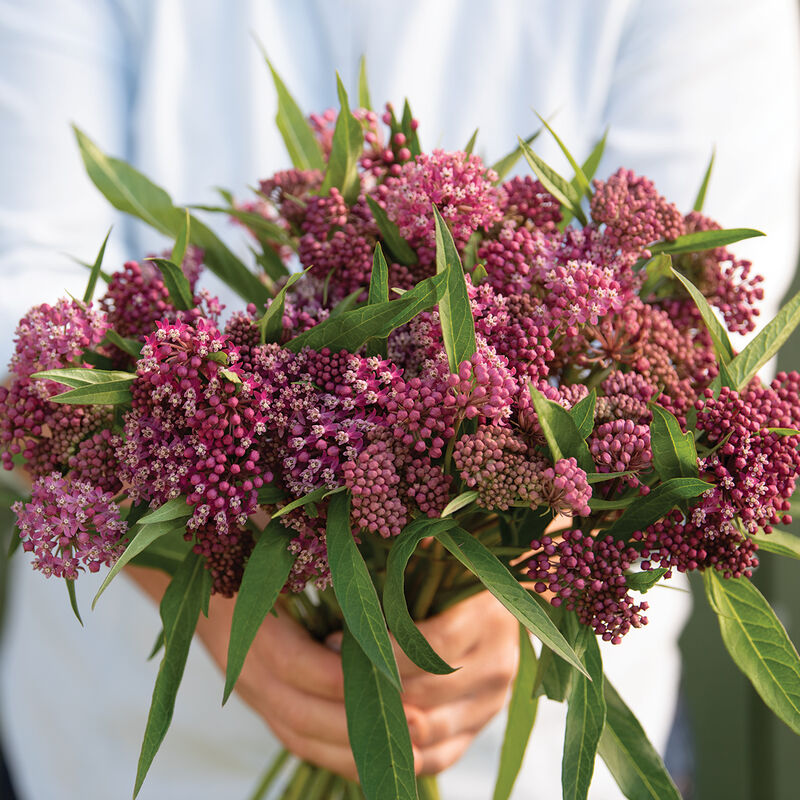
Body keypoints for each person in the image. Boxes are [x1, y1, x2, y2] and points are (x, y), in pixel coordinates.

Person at [0, 1, 798, 798]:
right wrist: (213, 595)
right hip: (115, 741)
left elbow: (689, 331)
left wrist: (525, 587)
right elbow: (22, 284)